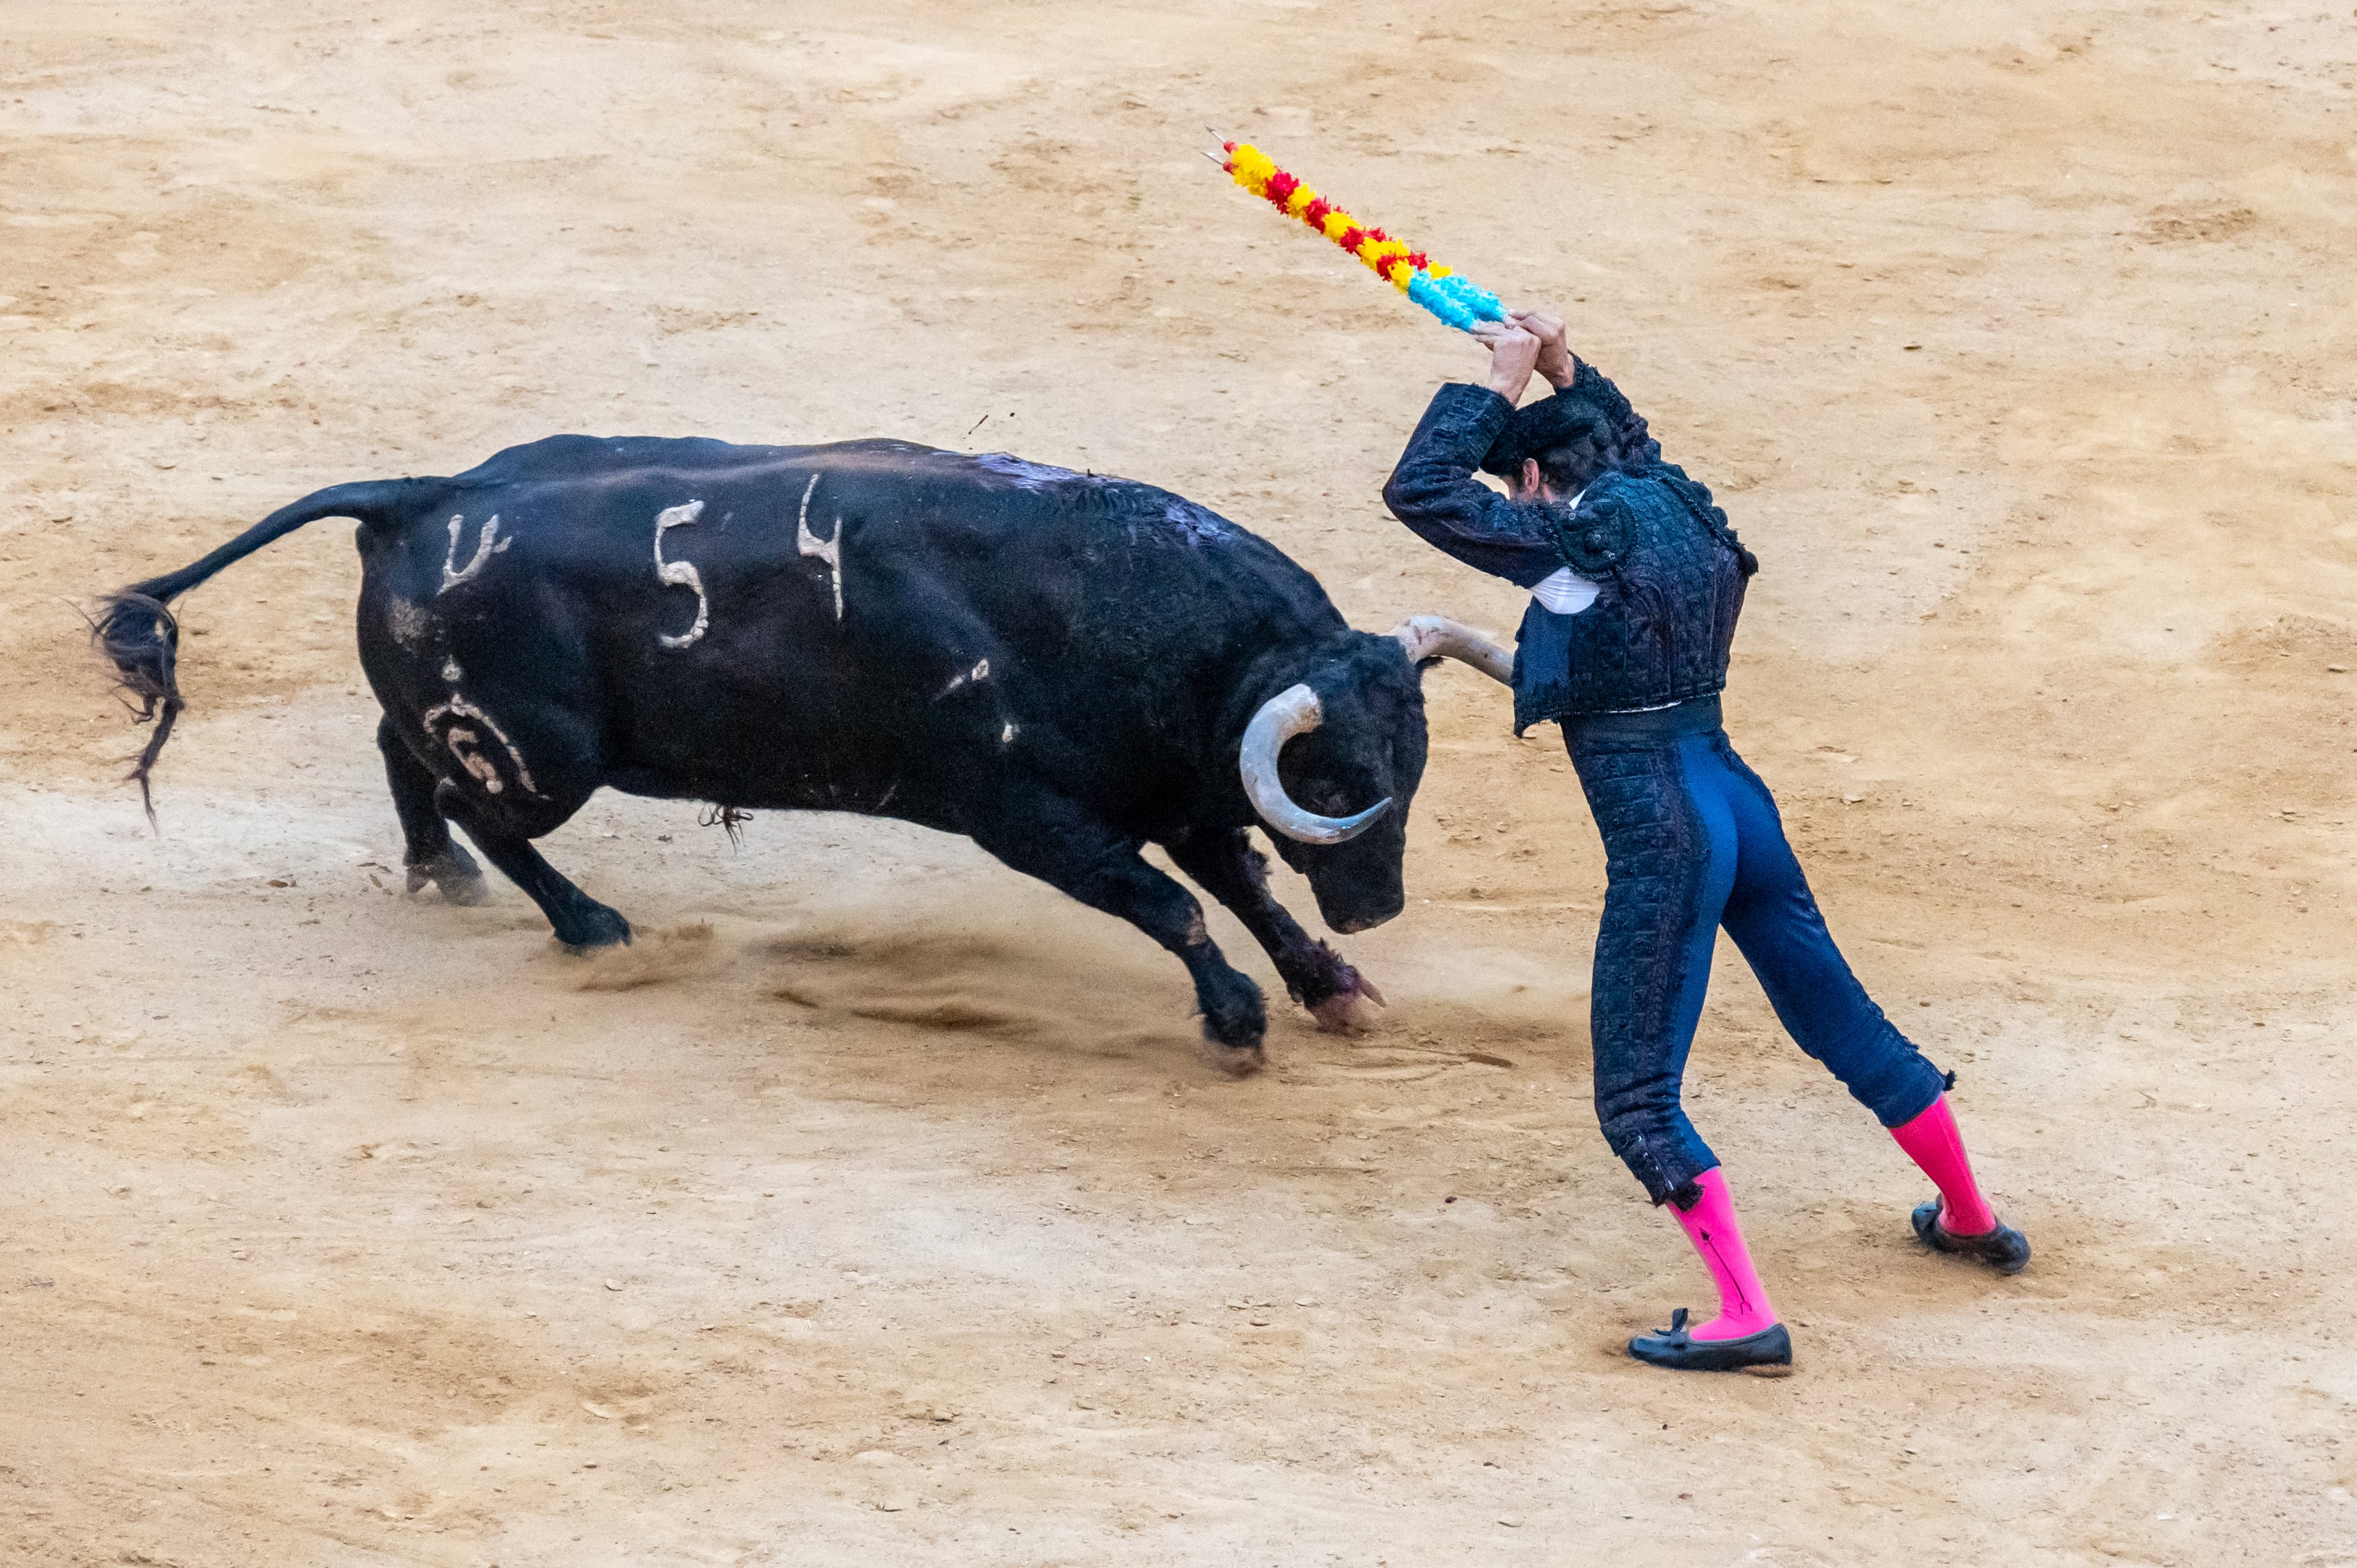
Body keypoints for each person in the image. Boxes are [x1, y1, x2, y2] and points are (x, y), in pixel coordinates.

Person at [1381, 310, 2029, 1375]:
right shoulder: (1674, 509)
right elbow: (1631, 445)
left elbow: (1424, 492)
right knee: (1842, 1018)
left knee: (1637, 1095)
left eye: (1519, 487)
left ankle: (1744, 1313)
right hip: (1737, 800)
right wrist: (1566, 368)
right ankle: (1968, 1214)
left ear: (1538, 480)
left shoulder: (1571, 554)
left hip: (1664, 831)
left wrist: (1498, 386)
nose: (1510, 506)